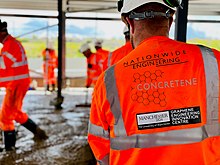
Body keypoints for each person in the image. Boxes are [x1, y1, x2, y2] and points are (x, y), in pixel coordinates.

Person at [88, 0, 220, 164]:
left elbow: (100, 147)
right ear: (170, 21)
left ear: (130, 23)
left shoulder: (109, 80)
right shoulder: (213, 61)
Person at [0, 20, 48, 151]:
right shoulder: (11, 44)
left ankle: (10, 150)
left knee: (6, 117)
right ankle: (38, 132)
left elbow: (2, 66)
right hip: (17, 83)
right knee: (15, 113)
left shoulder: (9, 46)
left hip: (16, 84)